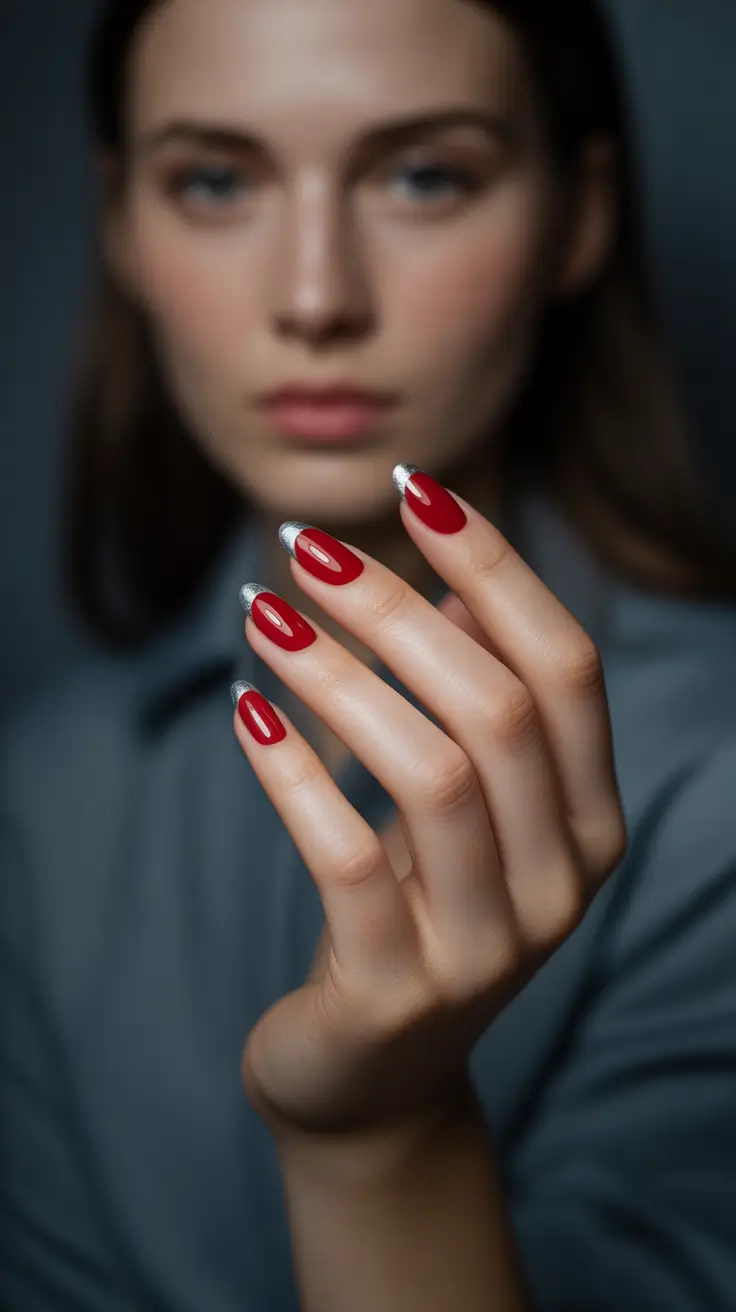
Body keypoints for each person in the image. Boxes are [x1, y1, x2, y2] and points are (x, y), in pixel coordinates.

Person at [3, 0, 736, 1307]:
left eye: (423, 176)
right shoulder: (45, 793)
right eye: (217, 181)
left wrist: (383, 1134)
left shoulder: (717, 772)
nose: (315, 297)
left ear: (579, 214)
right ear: (120, 221)